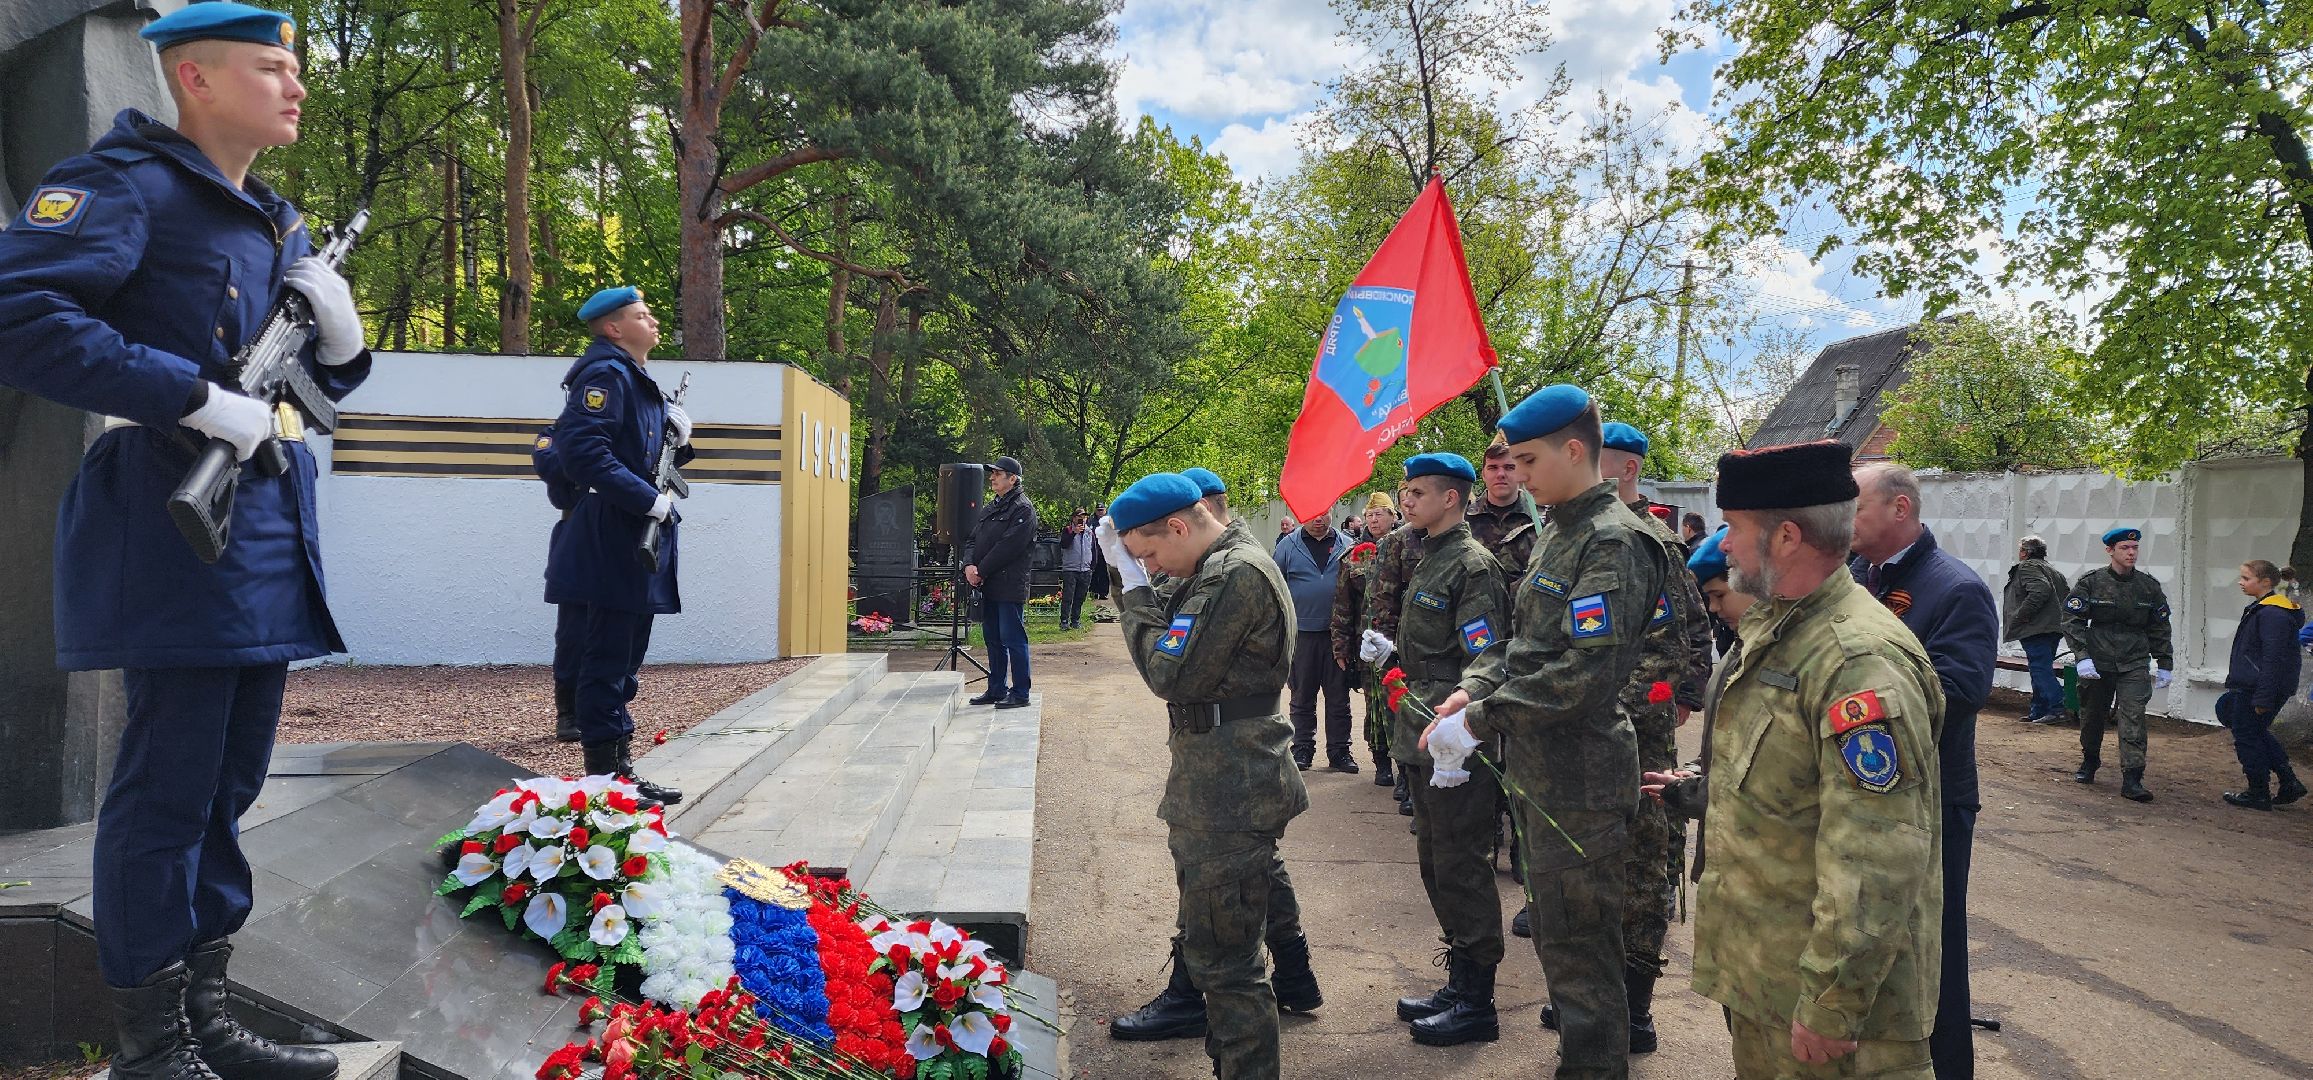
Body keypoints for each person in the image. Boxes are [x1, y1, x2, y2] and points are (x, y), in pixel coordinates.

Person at [0, 6, 366, 1078]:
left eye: (295, 68)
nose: (295, 86)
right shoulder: (121, 185)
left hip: (256, 529)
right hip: (168, 520)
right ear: (194, 79)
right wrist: (196, 398)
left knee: (227, 788)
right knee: (166, 788)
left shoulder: (273, 217)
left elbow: (316, 384)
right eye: (271, 67)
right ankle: (150, 1046)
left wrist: (342, 342)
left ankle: (206, 1019)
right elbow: (22, 316)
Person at [1428, 383, 1668, 1079]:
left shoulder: (1613, 540)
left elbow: (1583, 673)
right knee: (1562, 945)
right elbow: (1523, 646)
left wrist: (1480, 718)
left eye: (1527, 461)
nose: (1518, 476)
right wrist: (1470, 687)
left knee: (1584, 955)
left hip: (1582, 778)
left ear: (1572, 450)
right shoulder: (1561, 531)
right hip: (1541, 770)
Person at [1692, 440, 1945, 1080]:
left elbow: (1877, 853)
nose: (1723, 544)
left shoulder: (1855, 661)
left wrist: (1833, 1002)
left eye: (1734, 528)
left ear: (1785, 537)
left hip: (1833, 1012)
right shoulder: (1778, 630)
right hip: (1767, 979)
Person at [1097, 474, 1311, 1080]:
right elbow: (1174, 627)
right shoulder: (1217, 568)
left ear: (1180, 526)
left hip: (1231, 792)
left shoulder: (1234, 574)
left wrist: (1133, 588)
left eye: (1152, 552)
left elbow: (1170, 671)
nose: (1153, 566)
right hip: (1218, 785)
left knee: (1228, 966)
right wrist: (1131, 577)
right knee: (1218, 948)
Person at [1529, 421, 1712, 1056]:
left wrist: (1652, 702)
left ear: (1620, 464)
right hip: (1581, 730)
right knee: (1589, 864)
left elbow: (1678, 637)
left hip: (1633, 731)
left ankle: (1633, 1003)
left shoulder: (1647, 541)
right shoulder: (1563, 534)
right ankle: (1592, 991)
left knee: (1640, 867)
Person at [1848, 462, 1997, 1080]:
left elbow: (1961, 691)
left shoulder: (1955, 588)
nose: (1844, 521)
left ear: (1899, 510)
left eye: (1855, 508)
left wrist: (1855, 703)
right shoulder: (1855, 576)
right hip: (1868, 788)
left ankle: (1947, 1069)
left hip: (1935, 796)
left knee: (1933, 943)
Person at [1380, 454, 1512, 1046]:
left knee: (1462, 863)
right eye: (1404, 492)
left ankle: (1477, 1000)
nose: (1406, 501)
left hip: (1454, 738)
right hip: (1420, 731)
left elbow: (1489, 654)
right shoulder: (1427, 555)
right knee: (1436, 860)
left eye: (1417, 493)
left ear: (1451, 499)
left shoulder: (1471, 565)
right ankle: (1459, 982)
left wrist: (1464, 700)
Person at [545, 286, 689, 807]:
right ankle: (604, 782)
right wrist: (648, 500)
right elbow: (582, 453)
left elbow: (643, 456)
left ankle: (620, 772)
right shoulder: (604, 376)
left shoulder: (636, 380)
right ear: (612, 328)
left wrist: (681, 443)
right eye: (640, 315)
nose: (652, 322)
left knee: (625, 663)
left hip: (630, 542)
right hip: (610, 537)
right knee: (605, 662)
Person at [2062, 527, 2174, 801]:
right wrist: (2082, 657)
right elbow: (2071, 619)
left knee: (2133, 716)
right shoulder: (2092, 582)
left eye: (2134, 548)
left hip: (2133, 660)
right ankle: (2090, 760)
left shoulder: (2148, 587)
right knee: (2092, 715)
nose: (2131, 553)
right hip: (2097, 661)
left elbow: (2159, 626)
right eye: (2125, 548)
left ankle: (2133, 777)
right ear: (2110, 550)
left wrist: (2165, 662)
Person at [2217, 560, 2308, 810]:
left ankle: (2258, 791)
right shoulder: (2265, 608)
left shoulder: (2272, 613)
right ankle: (2288, 782)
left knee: (2247, 736)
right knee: (2255, 732)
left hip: (2259, 687)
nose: (2241, 582)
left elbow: (2273, 658)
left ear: (2265, 582)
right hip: (2257, 685)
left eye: (2246, 579)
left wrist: (2263, 697)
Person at [1273, 513, 1354, 771]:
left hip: (1338, 635)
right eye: (1313, 513)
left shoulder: (1347, 544)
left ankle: (1340, 751)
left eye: (1324, 512)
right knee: (1302, 696)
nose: (1319, 518)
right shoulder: (1287, 546)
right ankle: (1302, 749)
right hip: (1303, 635)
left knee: (1339, 697)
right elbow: (1276, 588)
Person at [1333, 492, 1403, 784]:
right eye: (1370, 515)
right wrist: (1341, 646)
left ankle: (1407, 770)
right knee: (1374, 705)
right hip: (1368, 647)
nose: (1375, 520)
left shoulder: (1407, 549)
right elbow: (1342, 605)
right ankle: (1382, 763)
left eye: (1381, 514)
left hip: (1400, 643)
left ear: (1393, 516)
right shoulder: (1353, 557)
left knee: (1400, 703)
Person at [964, 456, 1038, 708]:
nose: (992, 477)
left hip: (1009, 585)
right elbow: (973, 539)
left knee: (1013, 639)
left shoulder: (1022, 509)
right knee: (992, 638)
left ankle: (1020, 693)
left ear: (1013, 478)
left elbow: (1008, 547)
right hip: (988, 584)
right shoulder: (992, 507)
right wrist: (969, 565)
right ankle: (996, 688)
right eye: (992, 473)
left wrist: (980, 570)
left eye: (998, 473)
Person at [2003, 537, 2072, 725]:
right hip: (2053, 627)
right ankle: (2039, 711)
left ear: (2025, 552)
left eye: (2020, 550)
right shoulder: (2053, 570)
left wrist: (2022, 615)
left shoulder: (2027, 567)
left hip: (2036, 627)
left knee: (2040, 668)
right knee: (2040, 667)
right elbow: (2065, 596)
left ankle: (2058, 707)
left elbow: (2040, 590)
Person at [1466, 435, 1540, 581]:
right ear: (1483, 474)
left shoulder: (1542, 518)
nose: (1501, 474)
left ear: (1520, 472)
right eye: (1493, 468)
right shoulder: (1463, 520)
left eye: (1509, 467)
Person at [1060, 508, 1095, 630]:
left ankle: (1075, 620)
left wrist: (1092, 566)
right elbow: (1064, 544)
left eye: (1084, 516)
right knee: (1068, 596)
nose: (1082, 519)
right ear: (1074, 518)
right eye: (1080, 516)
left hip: (1085, 569)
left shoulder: (1089, 532)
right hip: (1070, 569)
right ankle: (1064, 621)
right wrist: (1074, 532)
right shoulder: (1067, 530)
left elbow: (1093, 548)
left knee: (1080, 597)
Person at [1090, 502, 1111, 603]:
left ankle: (1103, 592)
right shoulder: (1091, 521)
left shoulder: (1109, 521)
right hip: (1094, 551)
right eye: (1098, 510)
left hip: (1105, 551)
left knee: (1104, 573)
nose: (1100, 512)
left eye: (1102, 510)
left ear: (1105, 510)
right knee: (1094, 572)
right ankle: (1093, 592)